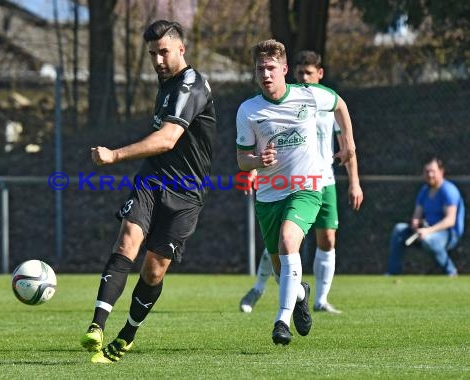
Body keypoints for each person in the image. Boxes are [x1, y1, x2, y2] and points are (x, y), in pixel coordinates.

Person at [80, 20, 216, 363]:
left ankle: (127, 335)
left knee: (154, 270)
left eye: (164, 52)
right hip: (152, 181)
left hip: (185, 193)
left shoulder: (191, 84)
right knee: (127, 240)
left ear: (181, 49)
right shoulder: (167, 83)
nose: (157, 60)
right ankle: (96, 327)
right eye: (153, 54)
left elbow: (168, 138)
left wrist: (115, 154)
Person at [236, 40, 357, 346]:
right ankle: (301, 293)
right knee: (281, 271)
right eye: (260, 68)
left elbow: (340, 104)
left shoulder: (309, 95)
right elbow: (241, 159)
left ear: (284, 70)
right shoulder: (248, 110)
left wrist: (349, 146)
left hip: (307, 188)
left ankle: (281, 322)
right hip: (269, 194)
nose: (266, 74)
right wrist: (256, 161)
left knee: (290, 241)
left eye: (271, 68)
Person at [387, 157, 464, 276]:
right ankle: (392, 272)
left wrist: (428, 231)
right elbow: (417, 215)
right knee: (399, 229)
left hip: (447, 234)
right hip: (425, 230)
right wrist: (416, 223)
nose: (430, 174)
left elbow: (450, 221)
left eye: (433, 171)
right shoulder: (424, 191)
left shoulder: (448, 191)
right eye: (427, 171)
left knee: (429, 241)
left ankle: (451, 272)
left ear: (441, 172)